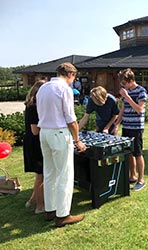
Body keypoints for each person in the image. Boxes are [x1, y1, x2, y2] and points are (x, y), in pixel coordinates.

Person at [36, 62, 87, 227]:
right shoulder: (64, 88)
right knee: (64, 175)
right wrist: (77, 140)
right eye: (74, 77)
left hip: (44, 132)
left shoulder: (43, 87)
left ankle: (50, 210)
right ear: (71, 74)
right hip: (59, 132)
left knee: (49, 173)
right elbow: (71, 119)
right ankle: (63, 215)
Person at [116, 68, 147, 191]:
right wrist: (117, 124)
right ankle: (132, 176)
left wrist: (127, 97)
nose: (123, 86)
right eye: (122, 84)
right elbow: (122, 109)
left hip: (136, 127)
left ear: (131, 80)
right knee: (129, 153)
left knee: (138, 153)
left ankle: (141, 180)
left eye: (124, 83)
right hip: (127, 126)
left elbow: (139, 109)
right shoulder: (126, 91)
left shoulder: (141, 91)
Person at [23, 80, 45, 214]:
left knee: (39, 175)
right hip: (35, 144)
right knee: (41, 175)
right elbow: (35, 130)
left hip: (31, 142)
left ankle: (31, 200)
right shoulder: (35, 108)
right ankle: (40, 206)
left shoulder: (30, 105)